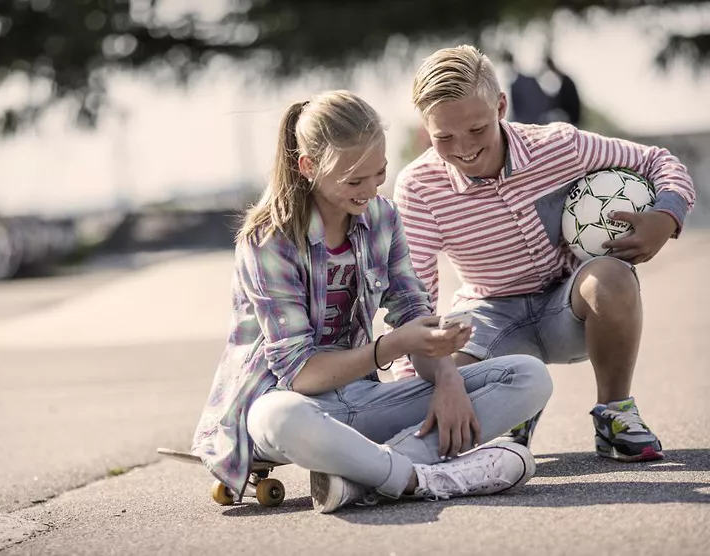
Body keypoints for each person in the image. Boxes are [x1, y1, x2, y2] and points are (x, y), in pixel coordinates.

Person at [190, 90, 553, 514]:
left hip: (363, 401)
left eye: (379, 174)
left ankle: (365, 477)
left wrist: (447, 377)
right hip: (289, 407)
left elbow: (414, 312)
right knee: (279, 417)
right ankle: (419, 478)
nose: (370, 191)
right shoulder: (269, 240)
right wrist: (392, 346)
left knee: (528, 376)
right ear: (308, 167)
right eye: (354, 181)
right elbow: (299, 374)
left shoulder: (383, 218)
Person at [393, 46, 695, 463]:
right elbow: (414, 296)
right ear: (426, 128)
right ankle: (514, 413)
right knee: (446, 378)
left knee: (611, 276)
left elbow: (659, 161)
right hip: (490, 320)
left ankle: (615, 412)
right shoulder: (418, 187)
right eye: (444, 137)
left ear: (501, 106)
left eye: (477, 129)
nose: (463, 148)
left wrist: (666, 215)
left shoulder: (560, 146)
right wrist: (411, 389)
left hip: (569, 308)